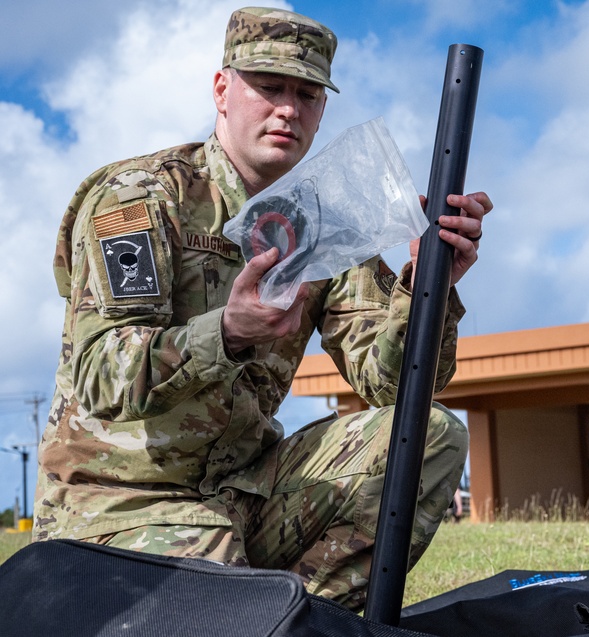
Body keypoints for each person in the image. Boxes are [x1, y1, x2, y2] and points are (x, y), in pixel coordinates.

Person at [34, 7, 492, 612]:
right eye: (270, 88)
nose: (289, 110)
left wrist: (426, 283)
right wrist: (224, 331)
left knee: (427, 436)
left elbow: (396, 385)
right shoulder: (139, 198)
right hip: (120, 502)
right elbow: (99, 376)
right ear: (223, 90)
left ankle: (303, 621)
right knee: (216, 569)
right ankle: (262, 612)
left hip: (243, 492)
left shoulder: (322, 225)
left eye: (308, 94)